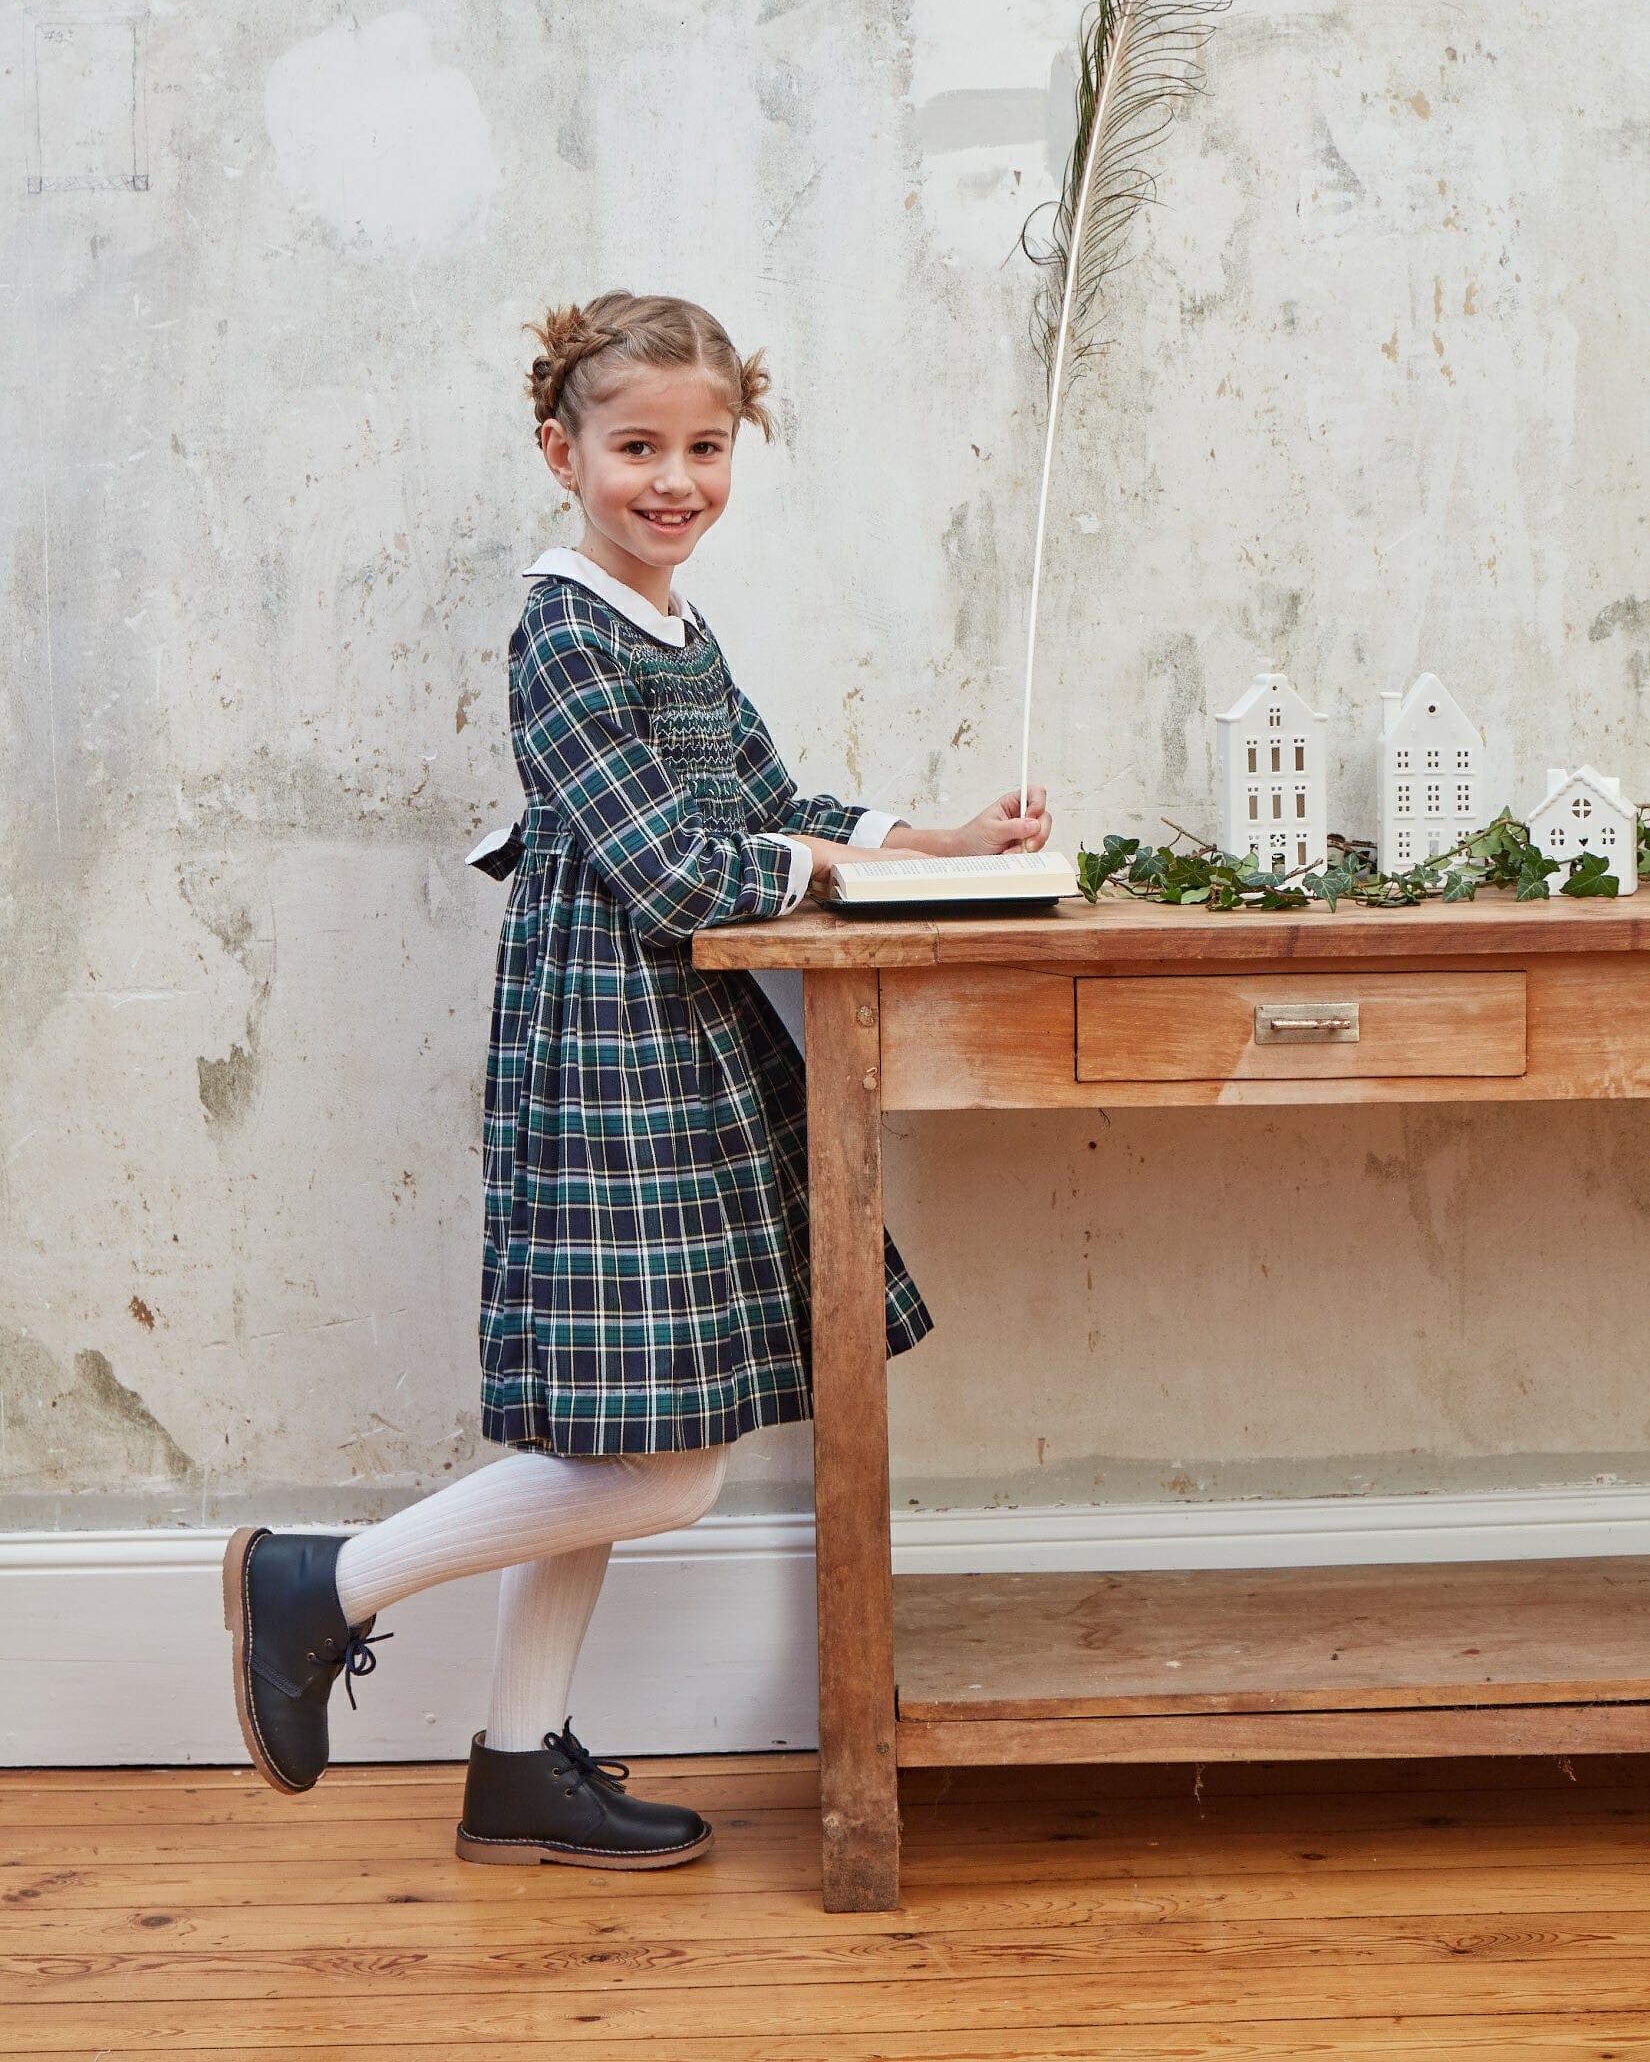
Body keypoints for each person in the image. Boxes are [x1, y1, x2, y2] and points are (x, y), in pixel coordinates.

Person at [223, 291, 1050, 1869]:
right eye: (637, 447)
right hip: (609, 1061)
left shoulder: (676, 625)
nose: (675, 480)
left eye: (706, 447)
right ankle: (321, 1584)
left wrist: (925, 841)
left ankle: (517, 1764)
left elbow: (766, 798)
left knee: (621, 1431)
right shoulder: (563, 629)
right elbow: (676, 870)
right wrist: (821, 866)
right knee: (658, 1467)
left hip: (687, 1052)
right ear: (564, 451)